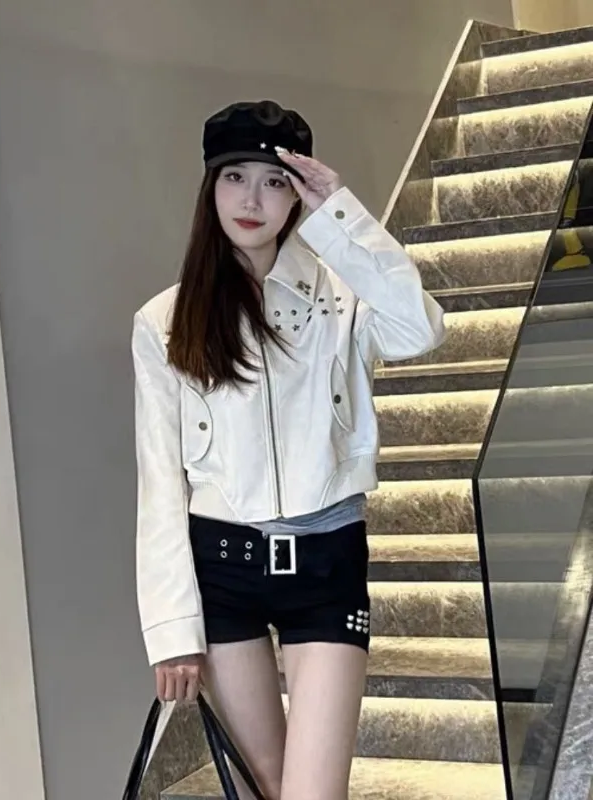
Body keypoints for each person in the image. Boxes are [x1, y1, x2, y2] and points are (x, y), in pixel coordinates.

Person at [130, 100, 445, 800]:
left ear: (298, 195)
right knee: (262, 785)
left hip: (326, 563)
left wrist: (340, 215)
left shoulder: (344, 299)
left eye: (275, 181)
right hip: (223, 568)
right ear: (209, 188)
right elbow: (160, 482)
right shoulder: (164, 322)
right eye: (234, 177)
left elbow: (419, 329)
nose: (252, 200)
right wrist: (172, 629)